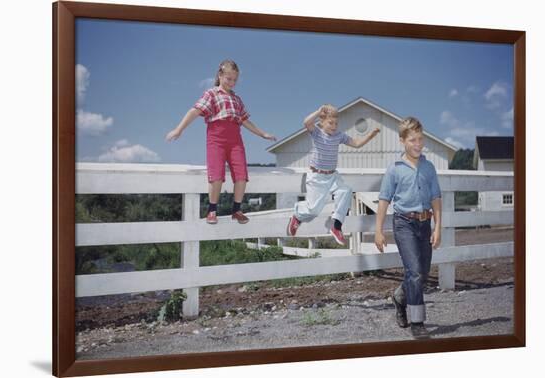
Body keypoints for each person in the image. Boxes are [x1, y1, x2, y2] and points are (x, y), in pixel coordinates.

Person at [166, 60, 276, 224]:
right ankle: (212, 210)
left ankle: (236, 209)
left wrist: (263, 134)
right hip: (216, 138)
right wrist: (179, 129)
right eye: (228, 78)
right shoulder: (211, 94)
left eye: (234, 80)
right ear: (220, 76)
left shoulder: (237, 99)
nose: (231, 82)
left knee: (241, 176)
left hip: (235, 140)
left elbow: (245, 121)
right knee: (216, 175)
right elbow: (194, 111)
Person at [374, 116, 442, 340]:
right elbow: (384, 199)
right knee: (413, 272)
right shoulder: (394, 169)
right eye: (413, 140)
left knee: (421, 275)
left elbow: (436, 198)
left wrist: (438, 227)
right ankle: (418, 322)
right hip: (403, 223)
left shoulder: (429, 167)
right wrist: (378, 230)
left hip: (425, 223)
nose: (418, 144)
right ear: (402, 140)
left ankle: (399, 297)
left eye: (420, 139)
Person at [287, 104, 380, 245]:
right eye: (330, 123)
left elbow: (356, 143)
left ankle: (336, 226)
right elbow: (306, 122)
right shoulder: (317, 132)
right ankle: (297, 216)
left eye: (336, 123)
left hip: (332, 176)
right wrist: (318, 111)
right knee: (313, 210)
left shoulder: (339, 136)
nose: (334, 126)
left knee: (346, 191)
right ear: (321, 122)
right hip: (317, 176)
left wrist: (370, 136)